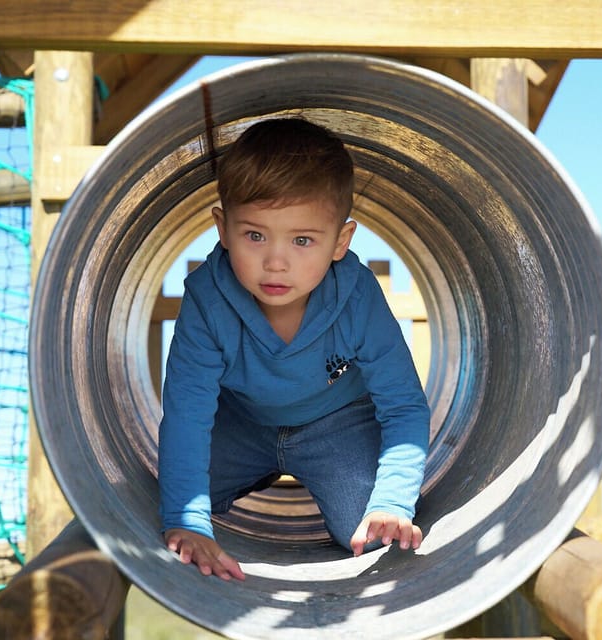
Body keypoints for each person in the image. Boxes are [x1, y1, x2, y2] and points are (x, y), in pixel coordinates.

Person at [158, 117, 431, 581]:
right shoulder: (207, 299)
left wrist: (392, 501)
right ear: (223, 229)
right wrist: (188, 523)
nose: (276, 261)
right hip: (240, 424)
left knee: (369, 535)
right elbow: (187, 415)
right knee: (168, 506)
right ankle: (258, 470)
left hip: (338, 424)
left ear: (340, 241)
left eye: (303, 239)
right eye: (255, 235)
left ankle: (319, 476)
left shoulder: (358, 296)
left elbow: (403, 405)